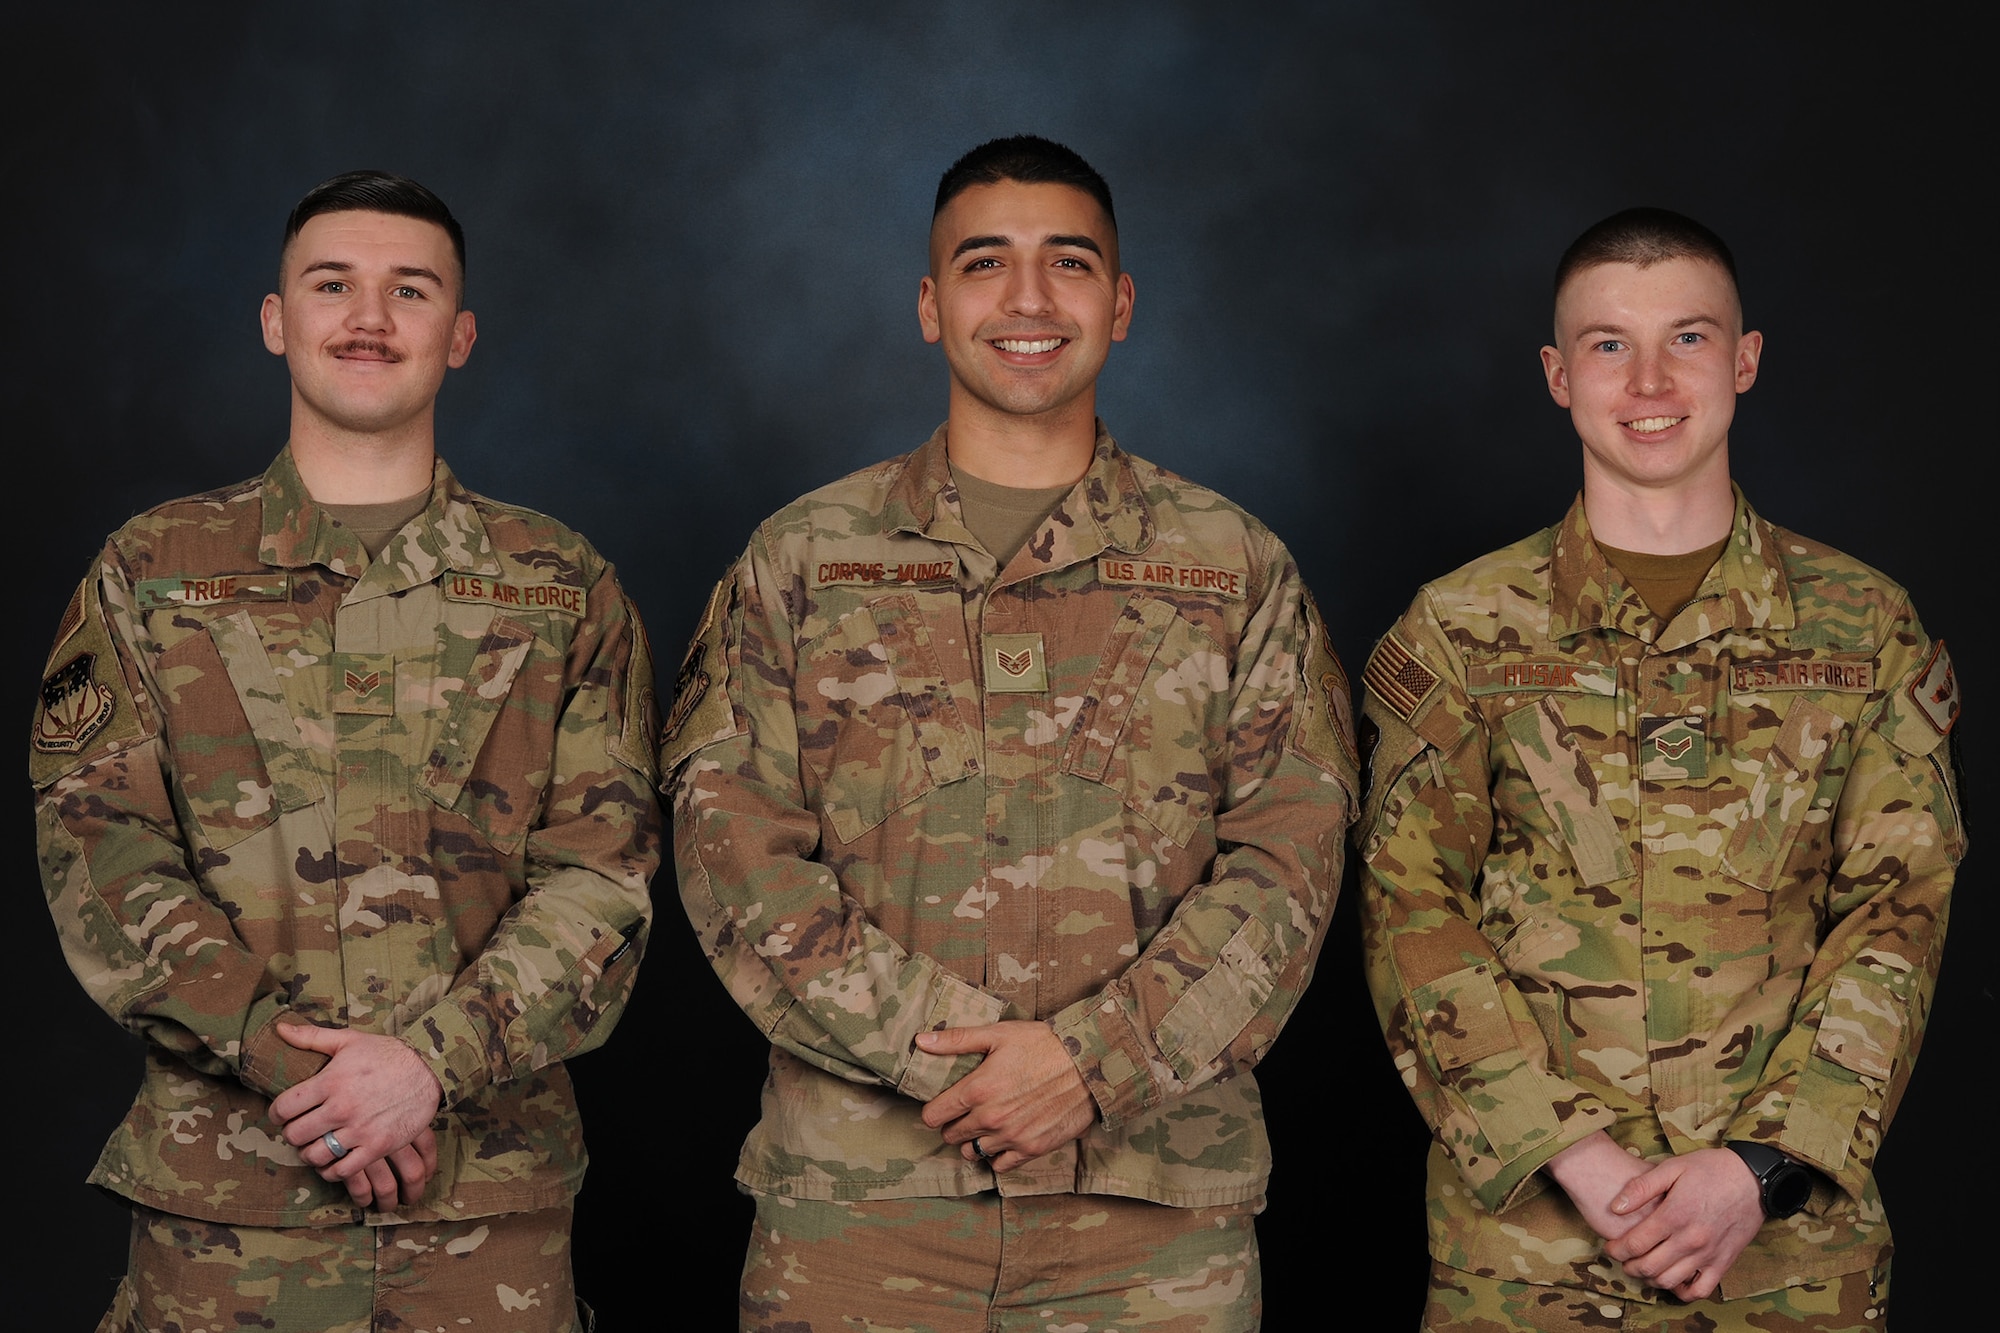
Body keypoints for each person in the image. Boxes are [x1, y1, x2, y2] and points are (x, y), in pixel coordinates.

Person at [663, 134, 1356, 1330]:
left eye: (1068, 264)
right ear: (930, 307)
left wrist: (1097, 1061)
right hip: (862, 1214)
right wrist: (957, 1067)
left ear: (1121, 303)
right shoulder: (803, 560)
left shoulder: (1234, 567)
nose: (1028, 300)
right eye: (985, 264)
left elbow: (1290, 859)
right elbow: (733, 852)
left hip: (1150, 1231)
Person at [32, 170, 660, 1332]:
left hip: (486, 1221)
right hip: (227, 1209)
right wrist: (295, 1069)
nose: (368, 317)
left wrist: (426, 1067)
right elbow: (97, 846)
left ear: (458, 335)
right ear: (277, 321)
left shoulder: (560, 585)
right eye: (333, 284)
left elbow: (603, 879)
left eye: (409, 290)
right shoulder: (151, 567)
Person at [1354, 207, 1963, 1331]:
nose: (1645, 380)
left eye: (1684, 338)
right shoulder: (1458, 630)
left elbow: (1897, 910)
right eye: (1605, 344)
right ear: (1554, 374)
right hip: (1527, 1260)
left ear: (1742, 361)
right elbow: (1407, 910)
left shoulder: (1862, 624)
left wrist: (1760, 1165)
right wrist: (1569, 1156)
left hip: (1788, 1260)